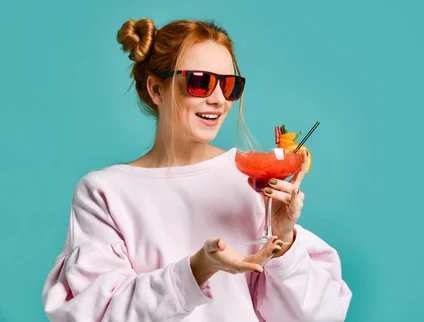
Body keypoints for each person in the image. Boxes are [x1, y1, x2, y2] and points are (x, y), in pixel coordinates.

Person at [41, 17, 352, 321]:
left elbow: (320, 316)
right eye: (200, 82)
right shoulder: (105, 192)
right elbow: (96, 313)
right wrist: (196, 270)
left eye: (230, 86)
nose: (219, 100)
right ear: (156, 90)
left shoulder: (253, 179)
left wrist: (283, 241)